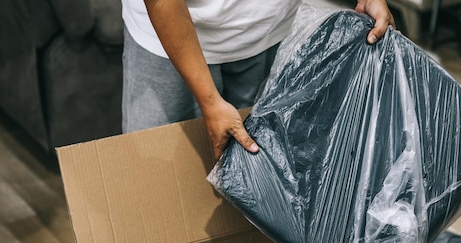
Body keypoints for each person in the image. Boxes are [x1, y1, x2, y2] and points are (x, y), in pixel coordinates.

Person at [122, 0, 395, 160]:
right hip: (168, 39)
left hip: (274, 29)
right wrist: (209, 101)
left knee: (263, 177)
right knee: (159, 172)